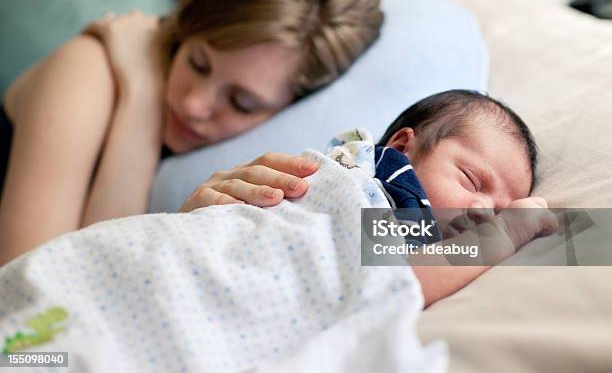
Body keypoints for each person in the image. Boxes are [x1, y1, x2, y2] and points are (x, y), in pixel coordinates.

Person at [0, 0, 383, 265]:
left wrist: (142, 96)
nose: (193, 104)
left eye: (241, 102)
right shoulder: (89, 69)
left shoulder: (144, 89)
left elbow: (439, 240)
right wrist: (141, 98)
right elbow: (29, 289)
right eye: (198, 62)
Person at [183, 90, 559, 306]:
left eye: (497, 212)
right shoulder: (365, 184)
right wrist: (506, 233)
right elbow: (396, 278)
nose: (481, 211)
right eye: (471, 180)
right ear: (401, 146)